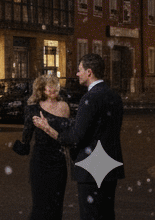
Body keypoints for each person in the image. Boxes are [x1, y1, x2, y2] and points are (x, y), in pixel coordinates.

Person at [35, 54, 125, 220]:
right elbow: (104, 129)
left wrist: (48, 129)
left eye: (79, 70)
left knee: (91, 215)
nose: (77, 74)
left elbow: (77, 137)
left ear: (89, 72)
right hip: (110, 164)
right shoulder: (114, 96)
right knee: (107, 214)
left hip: (92, 167)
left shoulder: (89, 98)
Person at [13, 74, 70, 220]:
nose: (54, 89)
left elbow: (68, 135)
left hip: (58, 162)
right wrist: (19, 146)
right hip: (40, 162)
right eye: (50, 86)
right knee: (40, 205)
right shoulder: (33, 109)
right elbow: (26, 138)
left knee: (56, 205)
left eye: (56, 85)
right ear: (42, 89)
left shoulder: (64, 106)